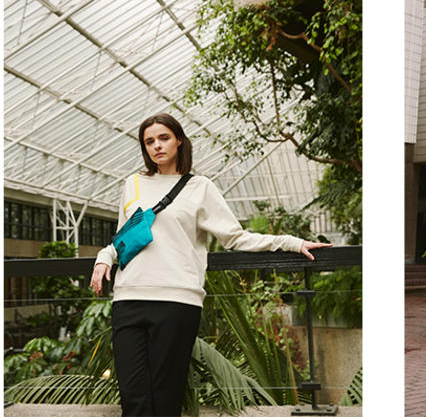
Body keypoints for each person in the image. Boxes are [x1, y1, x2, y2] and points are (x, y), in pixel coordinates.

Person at [90, 113, 330, 416]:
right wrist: (103, 258)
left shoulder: (199, 187)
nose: (157, 146)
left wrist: (291, 243)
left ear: (178, 140)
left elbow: (236, 238)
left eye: (163, 138)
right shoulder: (133, 184)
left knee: (166, 395)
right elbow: (122, 240)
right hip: (129, 298)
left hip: (177, 300)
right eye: (149, 141)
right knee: (132, 394)